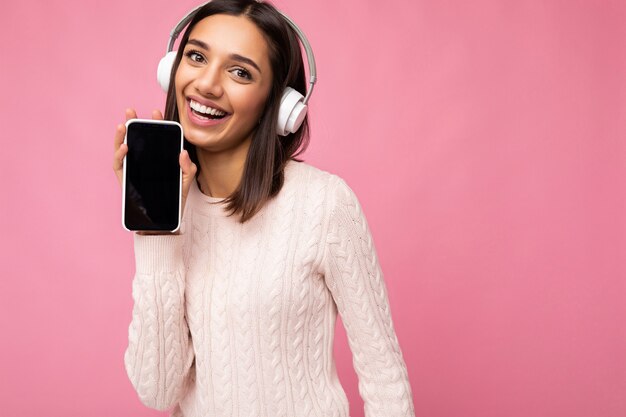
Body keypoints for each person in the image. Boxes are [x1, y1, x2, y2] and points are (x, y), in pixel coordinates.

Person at [112, 1, 416, 416]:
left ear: (281, 106)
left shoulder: (324, 204)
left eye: (240, 72)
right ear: (171, 69)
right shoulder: (173, 212)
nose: (207, 84)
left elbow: (384, 377)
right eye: (196, 57)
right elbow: (158, 390)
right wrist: (156, 234)